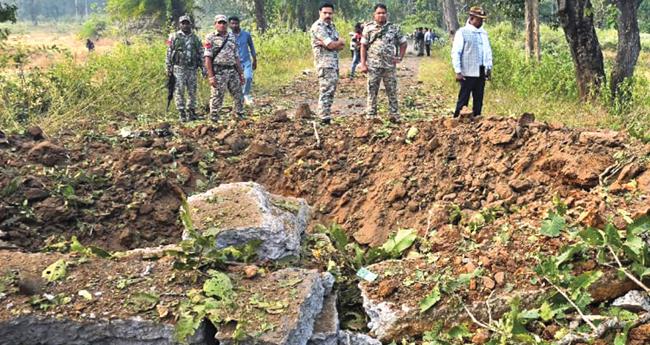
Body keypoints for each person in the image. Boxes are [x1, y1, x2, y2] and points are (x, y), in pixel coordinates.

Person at [359, 3, 407, 123]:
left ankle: (394, 114)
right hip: (373, 66)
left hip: (389, 66)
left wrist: (400, 57)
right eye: (379, 13)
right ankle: (371, 114)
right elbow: (363, 46)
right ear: (374, 15)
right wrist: (363, 64)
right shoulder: (368, 28)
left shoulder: (394, 28)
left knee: (391, 90)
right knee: (372, 90)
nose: (381, 15)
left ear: (387, 14)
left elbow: (403, 43)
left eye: (383, 13)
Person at [451, 6, 492, 118]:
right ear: (472, 18)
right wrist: (458, 71)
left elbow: (487, 52)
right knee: (463, 98)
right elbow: (456, 52)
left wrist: (488, 68)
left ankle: (476, 119)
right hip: (467, 71)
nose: (481, 22)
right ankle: (457, 120)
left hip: (481, 70)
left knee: (478, 98)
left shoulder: (483, 33)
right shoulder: (462, 32)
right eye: (479, 19)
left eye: (482, 19)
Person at [204, 14, 245, 122]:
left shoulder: (231, 37)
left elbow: (236, 56)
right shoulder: (210, 37)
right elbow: (208, 58)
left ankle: (239, 116)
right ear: (215, 24)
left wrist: (241, 73)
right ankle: (214, 119)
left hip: (232, 70)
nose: (222, 25)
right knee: (217, 96)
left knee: (238, 95)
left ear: (227, 25)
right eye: (219, 22)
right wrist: (211, 76)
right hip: (219, 71)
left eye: (224, 23)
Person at [310, 2, 346, 125]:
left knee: (331, 89)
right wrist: (336, 43)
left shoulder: (331, 26)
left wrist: (337, 43)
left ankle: (326, 114)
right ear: (320, 12)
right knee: (326, 89)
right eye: (325, 13)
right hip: (324, 63)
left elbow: (340, 45)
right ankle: (323, 117)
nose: (327, 15)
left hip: (333, 63)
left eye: (330, 13)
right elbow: (331, 44)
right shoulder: (318, 27)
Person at [166, 15, 205, 122]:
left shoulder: (195, 38)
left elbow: (201, 53)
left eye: (187, 23)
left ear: (190, 24)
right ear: (180, 24)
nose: (185, 25)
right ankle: (181, 112)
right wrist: (168, 67)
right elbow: (169, 53)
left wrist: (203, 68)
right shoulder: (173, 37)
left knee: (192, 91)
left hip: (192, 68)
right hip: (178, 68)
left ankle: (191, 111)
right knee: (179, 90)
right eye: (183, 23)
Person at [229, 16, 257, 106]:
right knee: (237, 82)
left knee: (248, 77)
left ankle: (246, 94)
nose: (234, 25)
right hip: (234, 63)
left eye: (236, 23)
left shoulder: (246, 34)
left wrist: (255, 59)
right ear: (229, 25)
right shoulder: (228, 36)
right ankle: (238, 99)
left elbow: (251, 47)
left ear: (239, 23)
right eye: (232, 23)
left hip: (246, 61)